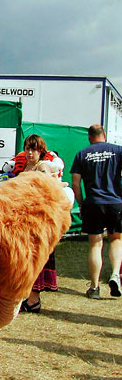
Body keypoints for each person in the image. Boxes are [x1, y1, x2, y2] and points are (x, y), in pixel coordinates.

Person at [11, 134, 61, 313]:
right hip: (22, 219)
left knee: (34, 259)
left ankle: (33, 300)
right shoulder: (23, 166)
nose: (30, 152)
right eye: (27, 148)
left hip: (38, 220)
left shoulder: (42, 166)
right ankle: (25, 298)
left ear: (41, 151)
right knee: (23, 259)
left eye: (34, 149)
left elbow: (48, 187)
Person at [70, 124, 122, 299]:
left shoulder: (82, 154)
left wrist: (82, 203)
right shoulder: (118, 150)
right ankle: (115, 274)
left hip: (93, 203)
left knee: (95, 244)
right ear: (104, 135)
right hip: (115, 203)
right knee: (116, 239)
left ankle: (94, 287)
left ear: (89, 137)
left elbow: (75, 183)